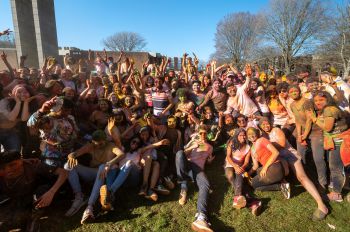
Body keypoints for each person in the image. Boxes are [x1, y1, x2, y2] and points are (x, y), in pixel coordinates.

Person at [258, 117, 328, 220]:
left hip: (289, 155)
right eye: (263, 125)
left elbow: (282, 144)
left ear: (270, 123)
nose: (266, 126)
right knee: (278, 171)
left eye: (267, 123)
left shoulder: (276, 130)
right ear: (260, 126)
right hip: (279, 158)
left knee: (302, 177)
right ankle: (284, 183)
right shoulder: (264, 136)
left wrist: (268, 147)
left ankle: (321, 204)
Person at [0, 151, 68, 230]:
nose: (9, 169)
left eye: (13, 165)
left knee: (42, 191)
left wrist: (51, 192)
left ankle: (34, 220)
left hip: (36, 198)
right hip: (18, 203)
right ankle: (22, 219)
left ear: (21, 161)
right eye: (5, 167)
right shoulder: (2, 174)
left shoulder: (33, 166)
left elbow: (63, 173)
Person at [64, 130, 125, 217]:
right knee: (68, 165)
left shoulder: (111, 146)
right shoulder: (91, 146)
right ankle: (79, 196)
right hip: (92, 172)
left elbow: (122, 154)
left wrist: (109, 163)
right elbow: (74, 154)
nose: (98, 145)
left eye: (100, 143)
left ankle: (90, 206)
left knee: (102, 167)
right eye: (96, 143)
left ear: (105, 140)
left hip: (104, 175)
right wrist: (72, 157)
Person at [306, 91, 347, 202]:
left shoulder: (329, 110)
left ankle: (337, 194)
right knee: (338, 167)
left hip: (339, 142)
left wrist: (314, 118)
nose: (318, 102)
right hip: (338, 141)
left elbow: (327, 128)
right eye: (316, 101)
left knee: (336, 168)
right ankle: (339, 186)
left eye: (321, 100)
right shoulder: (331, 108)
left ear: (327, 99)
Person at [176, 125, 214, 232]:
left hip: (198, 169)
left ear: (207, 134)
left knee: (205, 185)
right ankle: (183, 187)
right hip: (187, 165)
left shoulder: (209, 147)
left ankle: (201, 217)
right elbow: (182, 155)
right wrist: (193, 146)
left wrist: (210, 162)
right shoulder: (193, 142)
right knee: (179, 153)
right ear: (197, 133)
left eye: (204, 133)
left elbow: (208, 160)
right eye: (200, 133)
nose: (202, 135)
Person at [246, 127, 291, 199]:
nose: (251, 136)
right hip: (270, 169)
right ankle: (281, 184)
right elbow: (255, 166)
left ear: (257, 134)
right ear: (247, 137)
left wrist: (265, 168)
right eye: (249, 134)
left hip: (275, 167)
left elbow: (276, 153)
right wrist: (248, 174)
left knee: (253, 184)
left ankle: (281, 185)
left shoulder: (262, 140)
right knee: (257, 186)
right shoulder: (252, 148)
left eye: (253, 133)